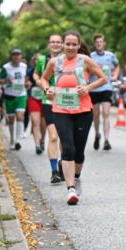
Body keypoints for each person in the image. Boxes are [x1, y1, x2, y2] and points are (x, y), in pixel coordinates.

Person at [38, 31, 107, 205]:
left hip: (83, 110)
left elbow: (103, 78)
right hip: (61, 110)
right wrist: (48, 90)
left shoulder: (85, 61)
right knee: (67, 147)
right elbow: (44, 79)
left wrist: (88, 87)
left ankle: (76, 177)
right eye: (67, 44)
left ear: (78, 45)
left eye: (73, 44)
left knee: (79, 151)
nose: (70, 47)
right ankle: (70, 189)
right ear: (63, 45)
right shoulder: (55, 62)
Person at [36, 34, 64, 183]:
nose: (55, 44)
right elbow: (37, 74)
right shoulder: (42, 60)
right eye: (53, 42)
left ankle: (62, 163)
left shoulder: (69, 60)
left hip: (65, 102)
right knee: (53, 136)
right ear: (49, 44)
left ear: (62, 44)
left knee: (64, 138)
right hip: (48, 102)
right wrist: (40, 82)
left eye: (58, 42)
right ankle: (54, 172)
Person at [89, 34, 119, 151]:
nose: (99, 44)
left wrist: (115, 75)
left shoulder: (110, 55)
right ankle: (97, 134)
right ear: (94, 44)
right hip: (94, 88)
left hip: (106, 87)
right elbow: (86, 70)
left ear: (104, 43)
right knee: (96, 114)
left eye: (101, 42)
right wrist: (95, 69)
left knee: (106, 113)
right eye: (97, 42)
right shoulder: (90, 56)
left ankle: (106, 140)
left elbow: (117, 66)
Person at [0, 49, 29, 150]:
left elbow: (26, 77)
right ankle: (12, 138)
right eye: (14, 55)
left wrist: (27, 83)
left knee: (20, 116)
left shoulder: (24, 66)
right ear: (11, 57)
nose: (16, 57)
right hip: (9, 95)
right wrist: (6, 80)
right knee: (11, 119)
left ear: (21, 56)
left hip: (21, 95)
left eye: (18, 55)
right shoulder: (6, 68)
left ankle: (17, 141)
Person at [26, 54, 46, 155]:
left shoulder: (47, 69)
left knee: (43, 124)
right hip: (33, 98)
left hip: (45, 98)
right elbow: (26, 81)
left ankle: (42, 140)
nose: (37, 61)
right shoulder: (30, 71)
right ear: (33, 61)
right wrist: (28, 83)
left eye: (39, 60)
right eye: (36, 60)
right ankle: (37, 145)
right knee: (35, 121)